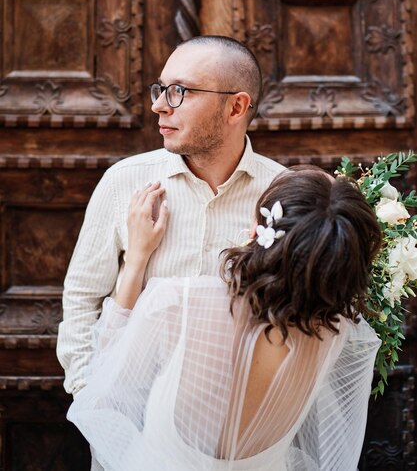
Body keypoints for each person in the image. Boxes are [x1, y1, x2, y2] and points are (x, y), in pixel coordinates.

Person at [67, 166, 382, 471]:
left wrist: (136, 260)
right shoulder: (333, 332)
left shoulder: (179, 304)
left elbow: (106, 380)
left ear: (258, 229)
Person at [57, 35, 286, 396]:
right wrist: (91, 394)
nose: (160, 106)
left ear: (236, 108)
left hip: (237, 433)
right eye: (161, 89)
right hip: (130, 423)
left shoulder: (283, 195)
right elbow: (82, 298)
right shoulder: (124, 181)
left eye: (180, 91)